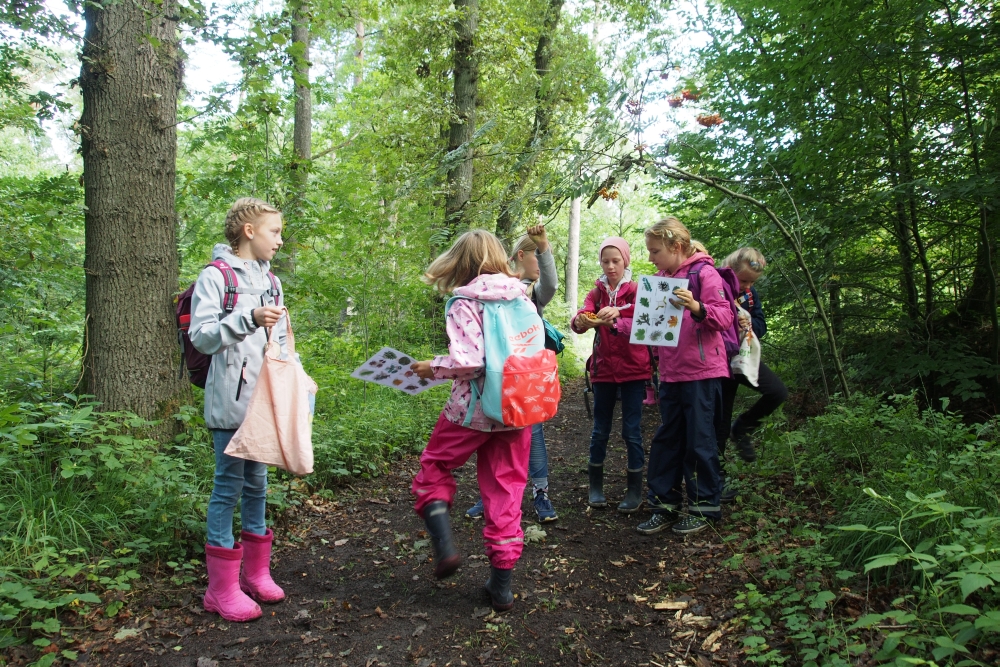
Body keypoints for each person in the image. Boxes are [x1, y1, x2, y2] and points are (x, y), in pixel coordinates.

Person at [408, 229, 537, 612]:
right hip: (516, 408)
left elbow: (469, 362)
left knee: (434, 466)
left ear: (461, 262)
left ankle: (445, 544)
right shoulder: (521, 296)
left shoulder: (464, 301)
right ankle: (501, 587)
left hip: (472, 409)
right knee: (506, 490)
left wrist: (432, 367)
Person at [188, 198, 288, 622]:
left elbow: (280, 342)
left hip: (264, 404)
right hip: (230, 403)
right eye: (274, 232)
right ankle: (221, 588)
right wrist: (247, 318)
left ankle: (255, 573)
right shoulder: (215, 277)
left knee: (258, 486)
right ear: (249, 231)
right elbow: (202, 338)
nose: (279, 241)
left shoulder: (273, 282)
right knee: (227, 487)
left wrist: (293, 383)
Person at [638, 217, 733, 536]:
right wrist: (611, 322)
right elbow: (648, 325)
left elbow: (724, 316)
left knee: (700, 440)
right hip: (672, 374)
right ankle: (664, 506)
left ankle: (705, 507)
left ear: (675, 247)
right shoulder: (659, 280)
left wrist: (696, 306)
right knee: (668, 440)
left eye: (655, 251)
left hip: (703, 373)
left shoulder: (704, 273)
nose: (651, 258)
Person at [466, 225, 560, 523]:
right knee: (492, 435)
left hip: (528, 378)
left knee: (533, 434)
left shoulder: (533, 292)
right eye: (537, 256)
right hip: (496, 374)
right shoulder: (495, 286)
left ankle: (541, 493)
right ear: (521, 255)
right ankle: (492, 495)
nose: (540, 265)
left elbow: (552, 286)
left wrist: (544, 247)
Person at [571, 237, 651, 513]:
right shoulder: (596, 293)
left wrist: (617, 319)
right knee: (600, 429)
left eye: (616, 260)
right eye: (605, 261)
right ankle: (596, 487)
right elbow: (583, 315)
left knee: (631, 431)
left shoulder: (638, 291)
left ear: (626, 260)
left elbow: (646, 322)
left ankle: (634, 490)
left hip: (634, 370)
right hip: (603, 369)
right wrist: (580, 320)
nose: (610, 266)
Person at [718, 248, 788, 496]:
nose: (747, 286)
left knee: (777, 392)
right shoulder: (715, 283)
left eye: (752, 282)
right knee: (719, 421)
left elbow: (761, 323)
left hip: (743, 358)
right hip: (719, 361)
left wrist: (750, 324)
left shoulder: (749, 294)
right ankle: (718, 479)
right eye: (743, 280)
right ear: (731, 271)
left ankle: (744, 427)